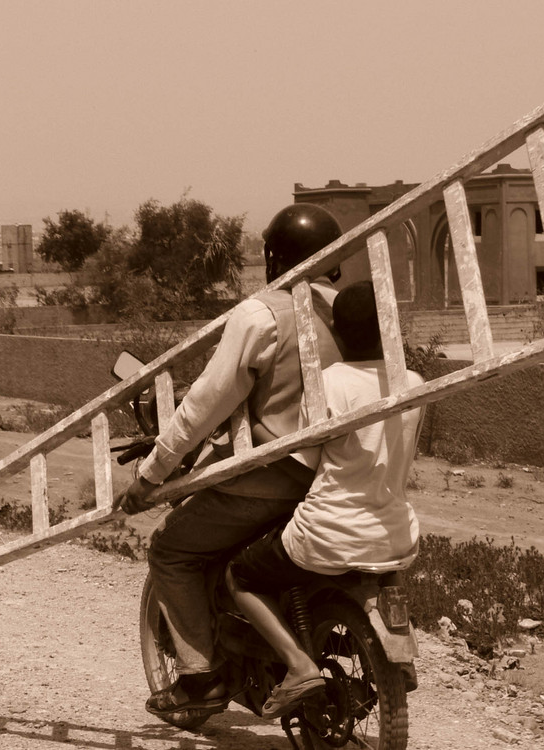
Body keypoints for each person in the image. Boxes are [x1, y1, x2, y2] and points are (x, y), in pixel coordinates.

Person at [116, 203, 344, 718]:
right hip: (336, 475)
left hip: (270, 479)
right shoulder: (347, 309)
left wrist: (152, 473)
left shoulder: (261, 313)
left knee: (172, 550)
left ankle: (201, 679)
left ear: (273, 258)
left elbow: (206, 402)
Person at [225, 280, 426, 719]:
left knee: (240, 575)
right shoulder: (413, 383)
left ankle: (298, 666)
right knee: (385, 564)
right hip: (393, 534)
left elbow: (303, 460)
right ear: (391, 328)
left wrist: (251, 423)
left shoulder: (328, 384)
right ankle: (399, 647)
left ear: (336, 332)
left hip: (328, 533)